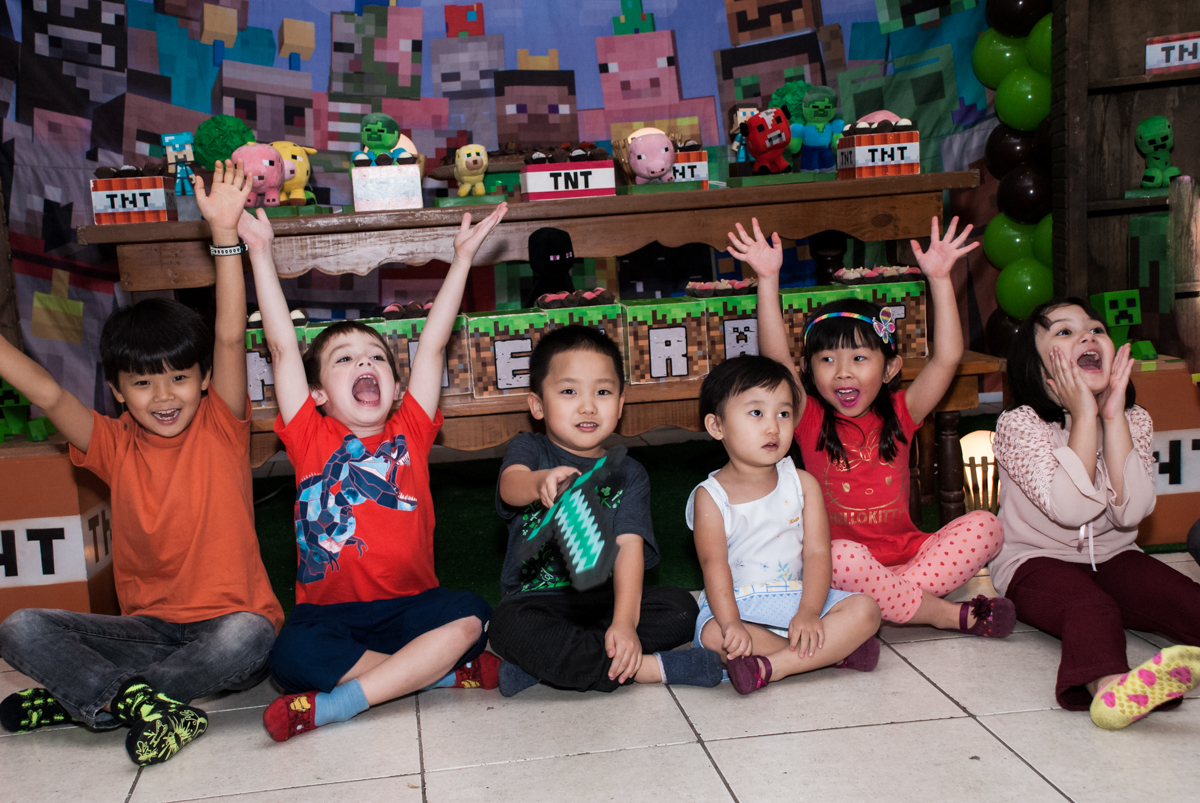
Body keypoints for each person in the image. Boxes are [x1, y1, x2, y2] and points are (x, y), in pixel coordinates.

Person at [0, 160, 282, 765]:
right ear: (118, 391)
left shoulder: (220, 427)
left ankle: (93, 701)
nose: (164, 397)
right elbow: (49, 395)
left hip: (228, 633)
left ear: (205, 381)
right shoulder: (111, 443)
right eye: (144, 384)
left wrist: (225, 237)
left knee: (249, 633)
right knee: (19, 626)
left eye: (180, 378)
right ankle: (134, 702)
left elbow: (230, 337)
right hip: (146, 635)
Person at [249, 192, 510, 741]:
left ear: (394, 389)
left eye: (377, 358)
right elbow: (279, 347)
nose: (365, 362)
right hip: (331, 618)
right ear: (317, 393)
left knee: (473, 616)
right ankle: (432, 678)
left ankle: (337, 704)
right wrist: (259, 253)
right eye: (345, 359)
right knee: (288, 656)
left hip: (412, 609)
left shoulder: (410, 429)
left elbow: (434, 344)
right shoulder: (309, 435)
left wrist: (461, 259)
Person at [732, 216, 1013, 635]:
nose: (843, 373)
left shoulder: (902, 411)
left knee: (987, 526)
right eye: (827, 360)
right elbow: (776, 362)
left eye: (860, 359)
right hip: (840, 565)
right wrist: (768, 279)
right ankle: (936, 613)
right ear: (808, 371)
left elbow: (947, 359)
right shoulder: (807, 417)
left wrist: (939, 278)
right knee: (841, 555)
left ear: (890, 369)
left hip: (911, 557)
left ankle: (883, 604)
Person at [991, 298, 1200, 729]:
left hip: (1115, 555)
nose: (1088, 335)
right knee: (1092, 608)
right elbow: (1071, 509)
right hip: (1034, 563)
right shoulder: (1019, 424)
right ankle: (1110, 691)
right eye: (1064, 332)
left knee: (1183, 599)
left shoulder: (1134, 418)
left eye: (1096, 329)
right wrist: (1085, 415)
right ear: (1040, 369)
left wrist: (1112, 418)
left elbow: (1133, 513)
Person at [488, 325, 720, 696]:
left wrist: (625, 624)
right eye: (568, 391)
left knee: (681, 608)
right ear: (537, 405)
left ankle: (541, 669)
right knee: (506, 627)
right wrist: (539, 483)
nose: (588, 405)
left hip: (605, 601)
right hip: (536, 603)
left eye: (602, 391)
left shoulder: (629, 473)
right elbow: (510, 487)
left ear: (621, 404)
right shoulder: (529, 449)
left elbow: (630, 546)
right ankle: (650, 668)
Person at [687, 355, 882, 694]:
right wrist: (732, 623)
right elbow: (713, 564)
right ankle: (830, 653)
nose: (773, 427)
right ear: (716, 426)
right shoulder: (711, 496)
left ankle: (772, 666)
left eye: (784, 413)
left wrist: (809, 612)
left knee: (866, 610)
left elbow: (819, 553)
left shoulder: (802, 484)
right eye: (756, 413)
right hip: (738, 604)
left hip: (798, 599)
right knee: (713, 636)